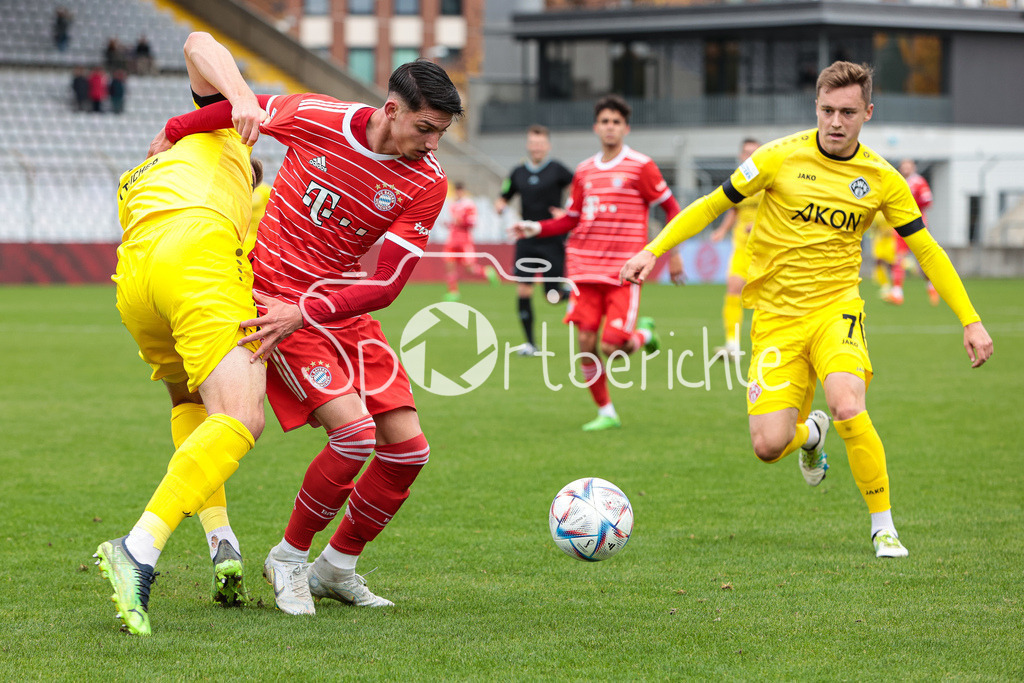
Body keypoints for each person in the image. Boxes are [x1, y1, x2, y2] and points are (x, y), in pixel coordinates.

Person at [620, 61, 993, 558]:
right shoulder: (777, 158)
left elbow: (927, 250)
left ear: (867, 113)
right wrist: (655, 248)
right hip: (775, 320)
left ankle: (884, 527)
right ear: (815, 108)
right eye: (827, 110)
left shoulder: (882, 179)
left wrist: (970, 319)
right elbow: (713, 204)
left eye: (847, 112)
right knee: (769, 445)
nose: (835, 122)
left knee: (847, 404)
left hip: (837, 310)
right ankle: (810, 433)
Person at [157, 31, 463, 615]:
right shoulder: (317, 115)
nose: (432, 143)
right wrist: (174, 131)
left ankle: (336, 566)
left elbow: (388, 283)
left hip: (335, 309)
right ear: (391, 110)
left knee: (408, 451)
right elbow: (239, 112)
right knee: (355, 436)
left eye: (441, 133)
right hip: (276, 305)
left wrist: (312, 310)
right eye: (425, 128)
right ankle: (289, 558)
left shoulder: (427, 180)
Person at [94, 90, 268, 634]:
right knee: (240, 416)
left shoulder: (148, 169)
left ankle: (222, 542)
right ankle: (137, 547)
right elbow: (202, 48)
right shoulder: (233, 159)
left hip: (136, 280)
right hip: (195, 257)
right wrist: (241, 97)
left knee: (189, 401)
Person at [511, 94, 682, 432]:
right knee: (587, 346)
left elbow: (673, 209)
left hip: (624, 270)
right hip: (584, 268)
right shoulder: (585, 171)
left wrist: (672, 254)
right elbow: (572, 217)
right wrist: (536, 227)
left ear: (626, 128)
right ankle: (606, 411)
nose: (610, 127)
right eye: (604, 121)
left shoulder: (641, 166)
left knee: (611, 345)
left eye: (616, 122)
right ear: (596, 127)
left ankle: (644, 335)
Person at [495, 125, 574, 356]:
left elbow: (580, 188)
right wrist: (500, 205)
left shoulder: (557, 169)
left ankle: (576, 295)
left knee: (552, 296)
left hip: (552, 238)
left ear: (547, 146)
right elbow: (504, 196)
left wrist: (567, 211)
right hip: (526, 240)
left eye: (540, 143)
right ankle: (531, 344)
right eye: (533, 143)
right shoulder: (518, 172)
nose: (536, 147)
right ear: (528, 145)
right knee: (523, 290)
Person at [709, 137, 761, 361]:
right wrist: (722, 230)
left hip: (765, 249)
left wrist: (759, 224)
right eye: (746, 152)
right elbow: (734, 210)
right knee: (733, 288)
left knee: (766, 299)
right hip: (741, 247)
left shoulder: (767, 180)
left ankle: (770, 346)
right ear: (741, 156)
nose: (749, 156)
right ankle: (733, 345)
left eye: (754, 152)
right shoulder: (738, 181)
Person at [886, 158, 939, 306]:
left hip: (917, 226)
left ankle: (932, 287)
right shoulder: (897, 180)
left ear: (913, 167)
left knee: (923, 260)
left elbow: (928, 201)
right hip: (899, 225)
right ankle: (897, 293)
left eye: (908, 166)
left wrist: (913, 206)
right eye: (904, 166)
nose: (906, 168)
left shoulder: (919, 182)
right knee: (898, 258)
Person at [443, 181, 498, 301]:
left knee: (469, 268)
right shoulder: (452, 204)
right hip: (452, 239)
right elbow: (453, 222)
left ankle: (487, 272)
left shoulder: (469, 204)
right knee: (449, 265)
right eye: (456, 190)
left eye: (459, 190)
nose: (458, 192)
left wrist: (461, 221)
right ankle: (453, 292)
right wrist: (448, 224)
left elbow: (473, 222)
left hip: (464, 240)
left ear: (463, 191)